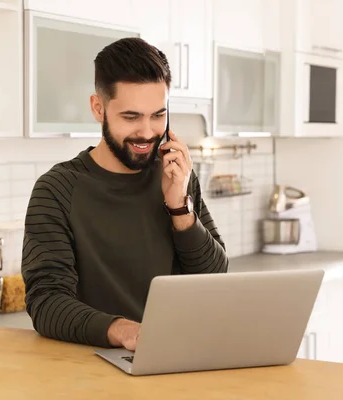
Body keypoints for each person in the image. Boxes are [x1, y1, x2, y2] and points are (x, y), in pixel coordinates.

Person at [21, 37, 228, 351]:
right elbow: (46, 302)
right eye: (131, 117)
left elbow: (215, 283)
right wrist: (120, 330)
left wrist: (178, 208)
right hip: (92, 368)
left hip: (176, 358)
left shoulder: (177, 175)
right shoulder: (57, 189)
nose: (146, 132)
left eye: (158, 115)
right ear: (98, 108)